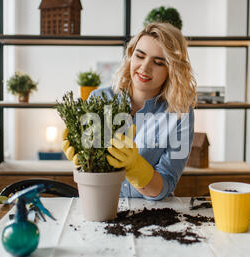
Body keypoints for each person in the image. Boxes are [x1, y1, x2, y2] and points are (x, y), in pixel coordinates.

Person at [62, 22, 197, 200]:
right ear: (130, 55)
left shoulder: (180, 115)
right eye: (139, 56)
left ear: (172, 69)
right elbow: (89, 171)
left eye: (158, 62)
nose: (145, 67)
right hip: (100, 202)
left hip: (150, 216)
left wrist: (136, 167)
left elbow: (167, 183)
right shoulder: (99, 100)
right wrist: (82, 155)